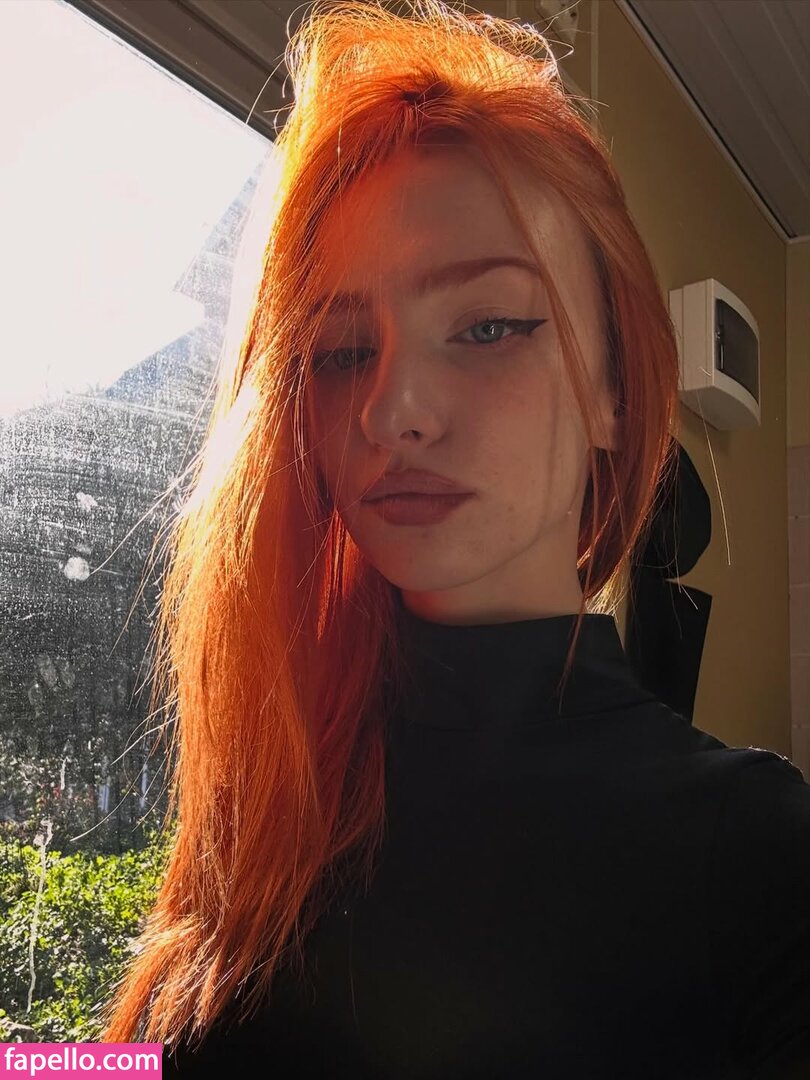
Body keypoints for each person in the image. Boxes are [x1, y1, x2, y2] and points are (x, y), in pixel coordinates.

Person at [99, 1, 810, 1076]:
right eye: (341, 351)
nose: (392, 413)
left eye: (487, 326)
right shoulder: (284, 788)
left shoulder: (756, 851)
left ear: (616, 389)